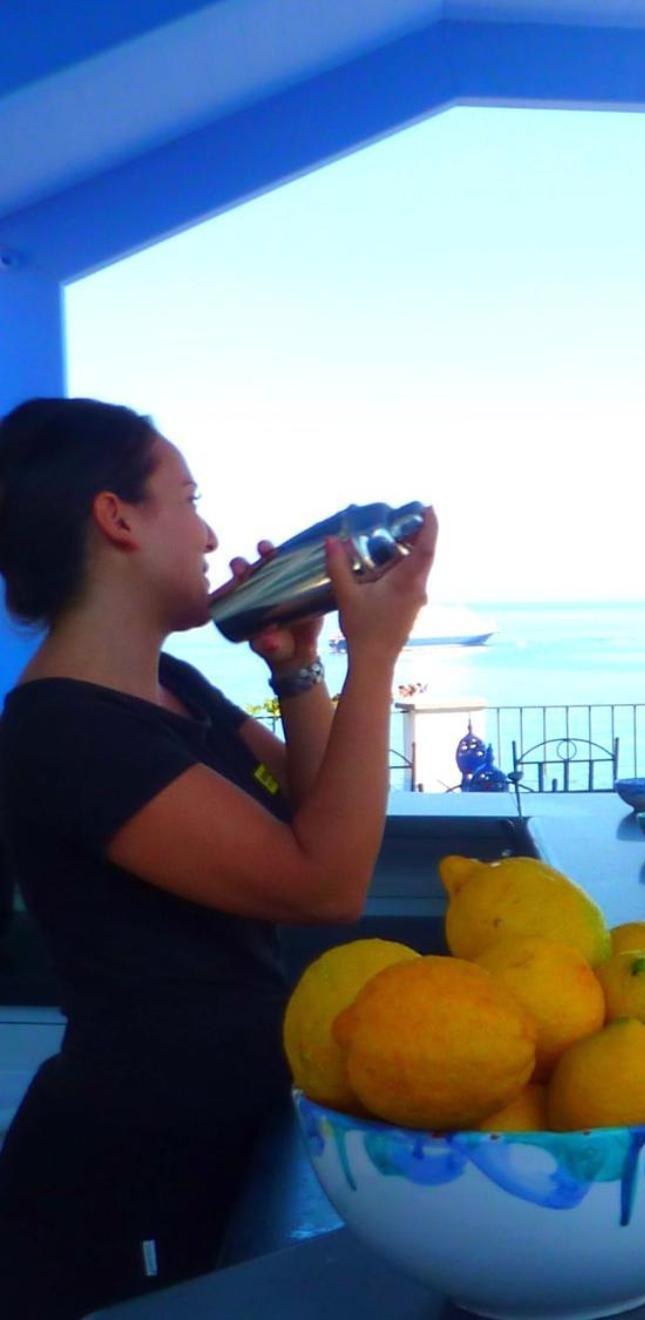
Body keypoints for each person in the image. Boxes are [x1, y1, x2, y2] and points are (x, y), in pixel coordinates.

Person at [0, 397, 437, 1317]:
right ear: (116, 519)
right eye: (189, 500)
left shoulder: (172, 685)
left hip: (230, 1122)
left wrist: (302, 664)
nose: (209, 535)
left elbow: (315, 816)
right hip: (133, 1171)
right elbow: (326, 884)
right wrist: (378, 654)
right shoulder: (64, 732)